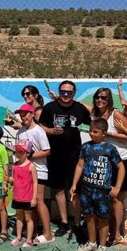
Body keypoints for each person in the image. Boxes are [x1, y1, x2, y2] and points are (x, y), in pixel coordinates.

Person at [38, 80, 91, 237]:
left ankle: (76, 223)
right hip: (55, 155)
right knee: (59, 189)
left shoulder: (80, 108)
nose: (65, 95)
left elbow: (93, 119)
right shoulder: (50, 108)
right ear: (59, 92)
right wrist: (50, 131)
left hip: (75, 156)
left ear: (74, 94)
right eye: (63, 92)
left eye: (69, 92)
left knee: (75, 191)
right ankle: (63, 222)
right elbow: (40, 125)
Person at [70, 118, 125, 251]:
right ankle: (92, 243)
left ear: (104, 133)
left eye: (95, 132)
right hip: (86, 189)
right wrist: (74, 185)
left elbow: (121, 168)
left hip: (102, 191)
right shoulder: (86, 147)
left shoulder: (110, 149)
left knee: (103, 219)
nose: (92, 134)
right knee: (89, 216)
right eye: (90, 131)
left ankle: (102, 247)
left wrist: (117, 187)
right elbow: (79, 166)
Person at [90, 87, 127, 246]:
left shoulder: (116, 115)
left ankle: (117, 233)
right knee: (107, 198)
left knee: (117, 198)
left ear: (110, 100)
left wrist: (109, 134)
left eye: (104, 98)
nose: (100, 100)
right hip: (105, 162)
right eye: (98, 97)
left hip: (122, 160)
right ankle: (109, 230)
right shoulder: (95, 115)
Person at [15, 103, 54, 244]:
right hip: (26, 171)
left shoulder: (39, 131)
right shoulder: (20, 132)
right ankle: (35, 230)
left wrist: (30, 156)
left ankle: (48, 234)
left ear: (32, 114)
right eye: (21, 114)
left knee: (39, 201)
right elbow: (20, 151)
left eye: (25, 113)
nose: (22, 116)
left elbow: (47, 150)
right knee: (29, 203)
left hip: (39, 170)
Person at [8, 139, 37, 247]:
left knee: (29, 219)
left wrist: (34, 198)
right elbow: (14, 179)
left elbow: (35, 182)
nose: (18, 154)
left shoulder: (31, 166)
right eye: (17, 151)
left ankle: (29, 240)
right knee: (19, 217)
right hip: (17, 197)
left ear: (27, 153)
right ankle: (18, 237)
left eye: (21, 152)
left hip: (28, 198)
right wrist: (10, 179)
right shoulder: (14, 165)